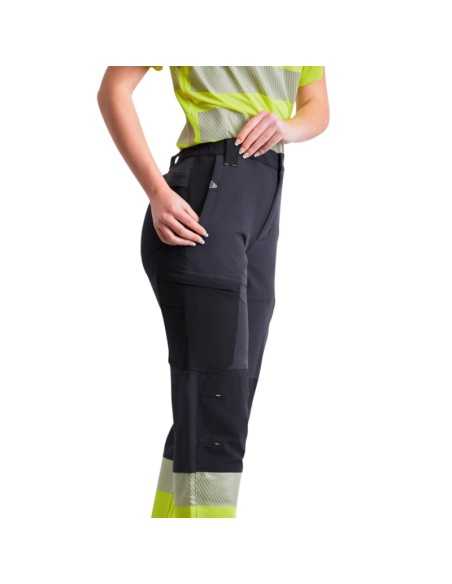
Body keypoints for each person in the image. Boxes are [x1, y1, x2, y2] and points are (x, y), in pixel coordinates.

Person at [97, 66, 329, 518]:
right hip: (205, 204)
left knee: (216, 409)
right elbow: (113, 89)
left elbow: (317, 107)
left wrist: (286, 127)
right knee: (215, 416)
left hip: (263, 208)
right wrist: (156, 191)